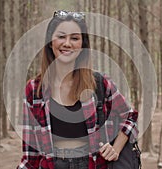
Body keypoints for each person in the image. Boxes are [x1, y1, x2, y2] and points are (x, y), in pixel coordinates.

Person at [17, 10, 139, 169]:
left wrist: (115, 149)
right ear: (50, 42)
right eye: (61, 36)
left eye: (74, 38)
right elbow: (30, 156)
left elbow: (130, 116)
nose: (67, 43)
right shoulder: (34, 90)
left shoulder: (99, 83)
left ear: (83, 45)